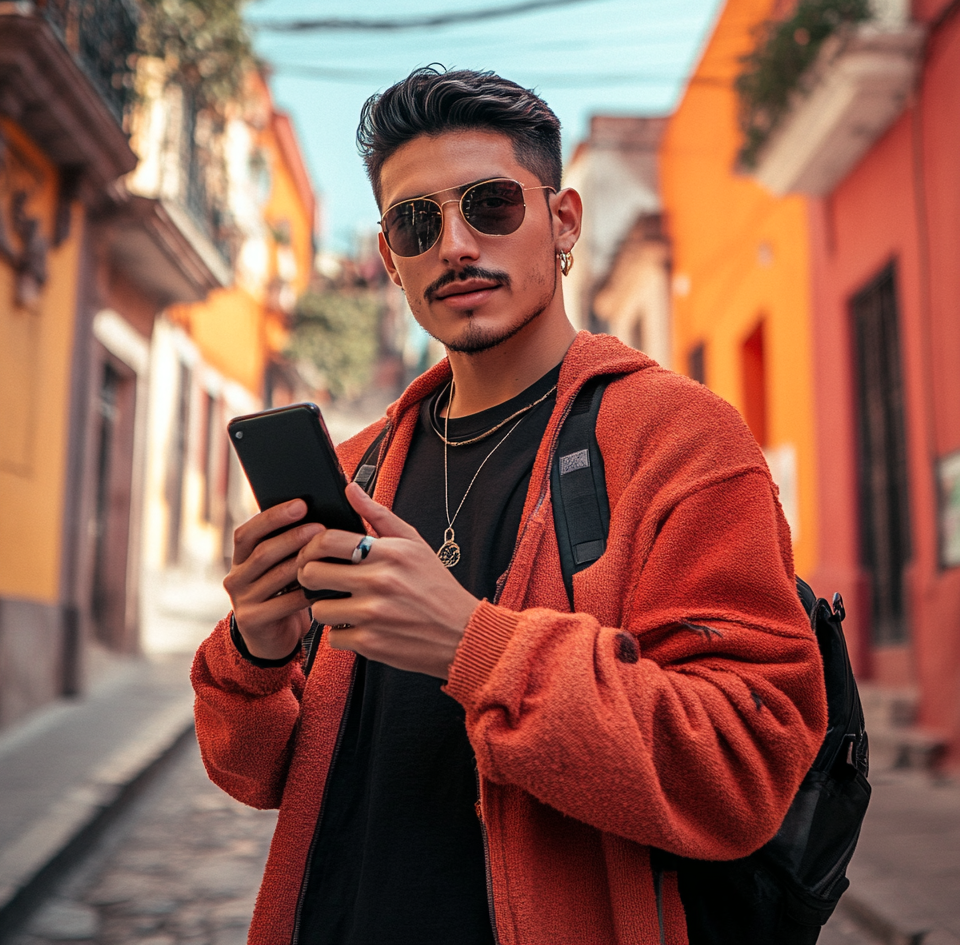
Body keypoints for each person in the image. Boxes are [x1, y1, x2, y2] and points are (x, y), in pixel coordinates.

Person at [192, 66, 826, 945]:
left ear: (562, 221)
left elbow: (746, 763)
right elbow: (257, 774)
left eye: (490, 205)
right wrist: (256, 656)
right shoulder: (354, 473)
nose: (454, 244)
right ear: (390, 259)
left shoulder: (678, 440)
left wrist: (470, 645)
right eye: (417, 223)